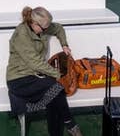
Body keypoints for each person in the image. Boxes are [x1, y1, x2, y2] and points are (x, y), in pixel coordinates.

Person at [6, 7, 82, 136]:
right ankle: (71, 125)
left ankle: (60, 131)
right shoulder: (21, 35)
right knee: (56, 88)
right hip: (19, 80)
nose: (46, 31)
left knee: (55, 94)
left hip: (36, 76)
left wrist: (64, 44)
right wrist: (58, 75)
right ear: (34, 23)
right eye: (44, 29)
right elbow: (35, 63)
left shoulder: (42, 27)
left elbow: (58, 28)